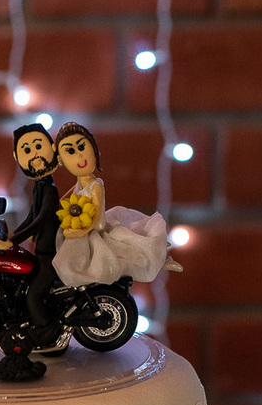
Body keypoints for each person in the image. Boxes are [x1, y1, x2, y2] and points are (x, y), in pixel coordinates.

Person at [51, 122, 178, 289]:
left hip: (93, 232)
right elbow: (65, 200)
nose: (80, 156)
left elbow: (99, 221)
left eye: (82, 147)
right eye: (70, 151)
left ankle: (158, 261)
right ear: (60, 160)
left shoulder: (96, 186)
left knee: (111, 260)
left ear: (94, 149)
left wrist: (80, 231)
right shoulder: (79, 182)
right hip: (81, 229)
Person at [0, 123, 62, 344]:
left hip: (52, 256)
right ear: (17, 157)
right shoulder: (39, 187)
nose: (34, 154)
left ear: (52, 148)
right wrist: (12, 238)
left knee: (32, 295)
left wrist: (14, 240)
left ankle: (46, 330)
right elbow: (31, 217)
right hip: (42, 253)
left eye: (38, 146)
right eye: (26, 150)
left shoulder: (50, 189)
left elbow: (42, 219)